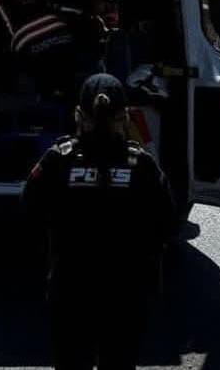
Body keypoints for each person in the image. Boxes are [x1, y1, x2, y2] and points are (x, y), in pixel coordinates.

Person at [24, 73, 177, 370]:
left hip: (71, 288)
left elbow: (30, 208)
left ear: (79, 115)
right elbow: (167, 222)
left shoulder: (59, 159)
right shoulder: (141, 165)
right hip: (126, 294)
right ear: (124, 116)